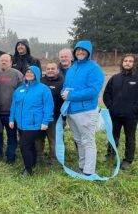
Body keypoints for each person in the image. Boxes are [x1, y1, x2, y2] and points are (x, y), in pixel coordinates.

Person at [62, 40, 104, 176]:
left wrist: (71, 95)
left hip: (86, 111)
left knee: (88, 141)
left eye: (83, 50)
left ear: (88, 52)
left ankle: (89, 171)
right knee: (79, 140)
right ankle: (82, 166)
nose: (80, 52)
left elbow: (93, 90)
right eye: (78, 50)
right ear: (75, 52)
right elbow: (67, 86)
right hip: (72, 110)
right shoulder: (73, 68)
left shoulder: (94, 68)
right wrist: (64, 92)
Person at [9, 66, 54, 176]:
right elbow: (14, 105)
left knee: (24, 145)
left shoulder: (43, 89)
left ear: (37, 74)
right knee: (30, 145)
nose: (29, 74)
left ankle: (28, 169)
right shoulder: (20, 89)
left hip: (34, 124)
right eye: (27, 72)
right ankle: (32, 163)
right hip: (21, 124)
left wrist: (45, 121)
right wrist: (11, 119)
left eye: (32, 72)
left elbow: (48, 106)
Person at [103, 54, 138, 170]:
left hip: (131, 116)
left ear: (134, 63)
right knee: (113, 135)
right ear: (122, 63)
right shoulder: (115, 78)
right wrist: (110, 107)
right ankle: (111, 154)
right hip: (115, 114)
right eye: (125, 61)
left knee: (130, 137)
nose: (127, 63)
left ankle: (128, 160)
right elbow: (107, 94)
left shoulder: (136, 78)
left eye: (130, 61)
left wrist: (134, 110)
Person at [0, 54, 23, 163]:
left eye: (6, 60)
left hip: (11, 113)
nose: (3, 62)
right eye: (1, 60)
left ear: (10, 62)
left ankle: (10, 156)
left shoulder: (17, 74)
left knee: (11, 135)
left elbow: (22, 93)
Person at [35, 62, 64, 165]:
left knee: (53, 139)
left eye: (53, 68)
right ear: (45, 70)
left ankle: (53, 159)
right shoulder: (40, 81)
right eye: (48, 69)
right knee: (39, 138)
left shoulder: (62, 82)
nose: (50, 70)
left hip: (55, 116)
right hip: (40, 116)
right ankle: (39, 158)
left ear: (57, 70)